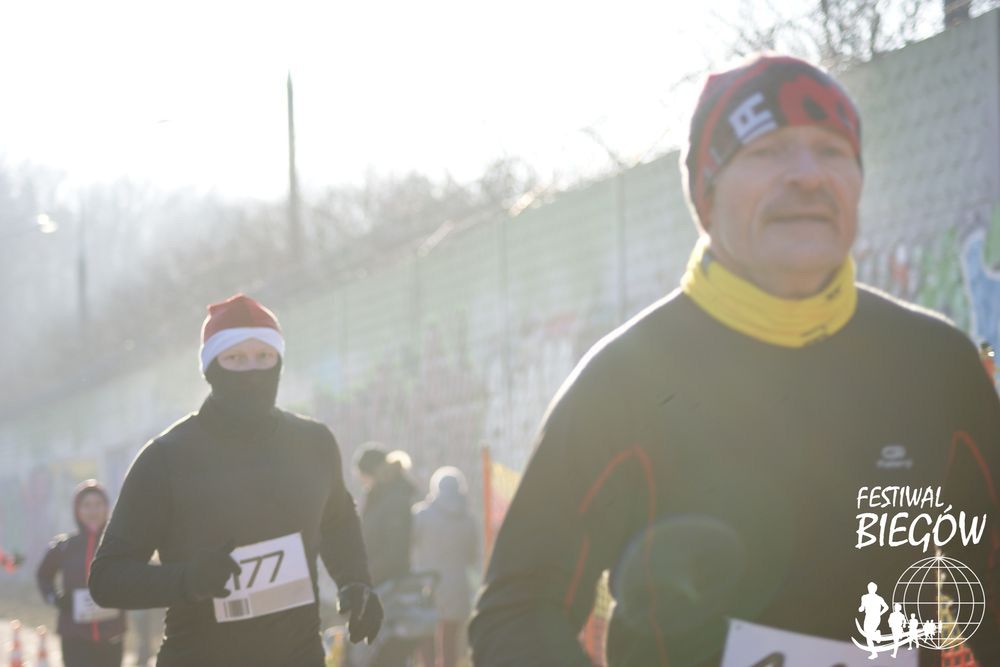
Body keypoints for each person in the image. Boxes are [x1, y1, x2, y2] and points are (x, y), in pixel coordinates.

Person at [469, 55, 1000, 667]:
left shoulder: (936, 364)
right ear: (707, 194)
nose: (807, 176)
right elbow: (517, 611)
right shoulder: (624, 379)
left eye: (831, 151)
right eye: (767, 150)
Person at [88, 293, 383, 666]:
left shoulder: (314, 444)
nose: (252, 372)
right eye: (235, 359)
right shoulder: (167, 458)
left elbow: (337, 520)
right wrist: (188, 580)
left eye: (264, 356)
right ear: (211, 368)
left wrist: (356, 581)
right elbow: (107, 579)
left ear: (279, 362)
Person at [37, 480, 125, 667]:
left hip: (111, 633)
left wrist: (125, 594)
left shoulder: (118, 545)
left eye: (98, 504)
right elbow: (43, 575)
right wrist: (56, 599)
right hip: (74, 635)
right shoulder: (65, 547)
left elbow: (133, 574)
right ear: (77, 509)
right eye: (87, 505)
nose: (93, 510)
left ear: (107, 508)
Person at [413, 467, 479, 667]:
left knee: (425, 634)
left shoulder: (421, 515)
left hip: (427, 583)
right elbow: (472, 556)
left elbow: (409, 545)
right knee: (450, 640)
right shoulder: (468, 519)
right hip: (457, 585)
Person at [355, 445, 418, 587]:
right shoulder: (380, 498)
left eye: (362, 477)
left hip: (390, 585)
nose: (362, 484)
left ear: (371, 474)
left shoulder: (394, 501)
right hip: (380, 581)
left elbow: (395, 551)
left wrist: (366, 575)